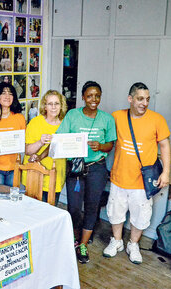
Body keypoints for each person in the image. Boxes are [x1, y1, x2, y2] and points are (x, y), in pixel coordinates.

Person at [103, 82, 171, 264]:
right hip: (119, 177)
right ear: (130, 99)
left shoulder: (157, 119)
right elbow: (106, 139)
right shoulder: (117, 116)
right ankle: (116, 241)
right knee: (115, 213)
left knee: (140, 216)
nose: (144, 103)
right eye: (140, 99)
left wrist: (166, 173)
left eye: (147, 99)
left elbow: (164, 146)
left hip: (143, 181)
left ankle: (133, 244)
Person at [55, 81, 116, 264]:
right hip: (75, 167)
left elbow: (110, 145)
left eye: (97, 95)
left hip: (97, 167)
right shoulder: (73, 115)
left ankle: (82, 244)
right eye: (89, 95)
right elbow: (61, 138)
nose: (93, 99)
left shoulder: (107, 119)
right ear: (83, 97)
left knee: (92, 206)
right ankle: (75, 237)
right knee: (74, 207)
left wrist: (100, 146)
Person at [24, 90, 67, 205]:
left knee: (51, 213)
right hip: (35, 177)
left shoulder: (65, 124)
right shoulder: (35, 122)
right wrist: (40, 142)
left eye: (57, 103)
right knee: (33, 213)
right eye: (50, 104)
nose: (53, 107)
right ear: (45, 106)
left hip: (56, 176)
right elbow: (27, 151)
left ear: (61, 106)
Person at [0, 83, 25, 186]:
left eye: (10, 94)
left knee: (12, 199)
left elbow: (23, 142)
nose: (7, 97)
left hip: (14, 168)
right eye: (3, 93)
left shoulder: (19, 118)